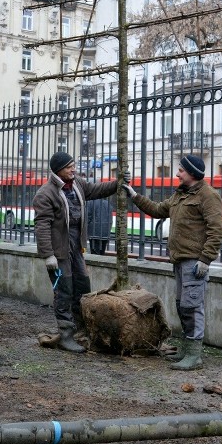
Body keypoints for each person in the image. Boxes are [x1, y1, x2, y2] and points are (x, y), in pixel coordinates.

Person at [125, 155, 222, 370]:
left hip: (195, 262)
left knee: (192, 306)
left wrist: (206, 259)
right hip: (180, 261)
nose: (177, 174)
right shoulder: (181, 194)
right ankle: (187, 349)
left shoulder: (208, 196)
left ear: (192, 173)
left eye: (181, 170)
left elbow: (216, 231)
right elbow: (157, 209)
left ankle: (195, 356)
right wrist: (133, 195)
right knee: (182, 306)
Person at [33, 151, 129, 353]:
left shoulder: (77, 185)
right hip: (58, 252)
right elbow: (42, 225)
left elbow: (97, 190)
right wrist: (47, 254)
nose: (73, 169)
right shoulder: (46, 193)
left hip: (76, 248)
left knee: (83, 286)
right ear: (59, 169)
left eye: (74, 165)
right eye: (69, 166)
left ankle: (80, 330)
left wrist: (118, 181)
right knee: (63, 290)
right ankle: (66, 335)